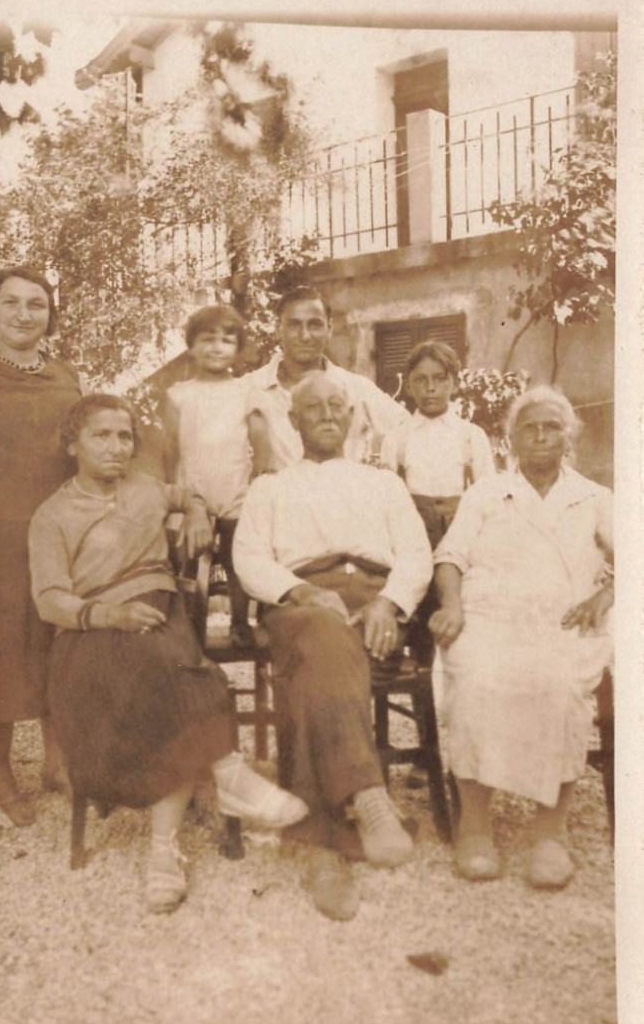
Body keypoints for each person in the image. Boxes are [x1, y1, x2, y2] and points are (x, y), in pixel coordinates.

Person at [28, 394, 308, 914]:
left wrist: (197, 510)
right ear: (72, 445)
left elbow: (184, 494)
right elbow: (49, 599)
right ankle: (226, 776)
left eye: (125, 436)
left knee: (170, 664)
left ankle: (165, 850)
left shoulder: (144, 488)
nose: (117, 447)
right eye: (101, 436)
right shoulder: (53, 515)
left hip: (159, 610)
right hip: (92, 630)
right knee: (179, 677)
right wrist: (108, 615)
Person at [233, 372, 433, 921]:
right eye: (312, 408)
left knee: (312, 673)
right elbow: (249, 558)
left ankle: (323, 850)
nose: (325, 415)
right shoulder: (271, 486)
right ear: (293, 423)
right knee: (321, 635)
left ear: (351, 418)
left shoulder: (384, 484)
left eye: (336, 406)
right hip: (300, 605)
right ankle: (367, 795)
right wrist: (300, 590)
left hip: (374, 605)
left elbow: (416, 555)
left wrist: (390, 605)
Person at [429, 385, 613, 890]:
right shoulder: (486, 493)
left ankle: (550, 834)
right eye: (528, 428)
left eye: (551, 426)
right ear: (511, 440)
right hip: (488, 618)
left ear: (568, 435)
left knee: (558, 685)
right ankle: (476, 826)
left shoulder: (595, 497)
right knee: (476, 680)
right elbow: (450, 558)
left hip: (563, 622)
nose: (540, 436)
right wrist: (452, 604)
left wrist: (607, 595)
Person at [0, 266, 83, 826]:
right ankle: (2, 770)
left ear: (49, 315)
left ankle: (58, 765)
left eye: (36, 304)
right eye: (9, 303)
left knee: (59, 646)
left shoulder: (67, 376)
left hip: (59, 537)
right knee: (3, 651)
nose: (22, 314)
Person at [164, 305, 268, 646]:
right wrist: (175, 494)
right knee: (185, 562)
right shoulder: (179, 395)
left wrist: (260, 484)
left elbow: (260, 441)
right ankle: (188, 627)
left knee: (240, 559)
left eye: (227, 340)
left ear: (237, 350)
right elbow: (170, 449)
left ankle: (240, 622)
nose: (216, 347)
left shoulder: (245, 392)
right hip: (192, 494)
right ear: (191, 346)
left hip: (235, 492)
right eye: (207, 340)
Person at [244, 285, 408, 471]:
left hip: (343, 495)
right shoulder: (248, 390)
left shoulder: (356, 388)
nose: (305, 336)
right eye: (294, 325)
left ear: (329, 329)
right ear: (278, 329)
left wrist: (383, 467)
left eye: (315, 325)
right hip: (277, 498)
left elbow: (410, 431)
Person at [381, 341, 495, 550]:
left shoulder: (471, 437)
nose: (430, 388)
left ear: (455, 384)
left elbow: (488, 500)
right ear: (408, 386)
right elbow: (386, 504)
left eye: (440, 379)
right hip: (410, 542)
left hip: (462, 540)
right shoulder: (397, 440)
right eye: (420, 380)